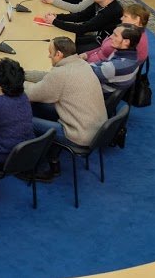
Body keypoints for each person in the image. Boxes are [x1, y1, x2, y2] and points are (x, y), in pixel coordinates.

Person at [24, 37, 107, 180]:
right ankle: (51, 157)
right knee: (39, 106)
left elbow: (31, 94)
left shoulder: (61, 74)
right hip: (95, 129)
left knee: (24, 121)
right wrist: (24, 74)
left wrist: (16, 81)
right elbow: (48, 77)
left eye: (50, 52)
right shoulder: (81, 64)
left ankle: (31, 165)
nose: (48, 56)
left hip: (79, 134)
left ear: (59, 54)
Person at [44, 0, 123, 53]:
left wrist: (55, 21)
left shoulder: (111, 12)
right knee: (62, 40)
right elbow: (81, 16)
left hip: (105, 44)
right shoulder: (99, 3)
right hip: (97, 37)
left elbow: (83, 28)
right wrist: (58, 16)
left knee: (65, 48)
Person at [82, 4, 149, 64]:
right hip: (94, 59)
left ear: (137, 19)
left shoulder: (134, 39)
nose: (121, 18)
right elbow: (103, 48)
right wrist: (86, 54)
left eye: (125, 16)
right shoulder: (125, 31)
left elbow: (111, 65)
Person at [90, 24, 143, 96]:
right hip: (110, 87)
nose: (111, 37)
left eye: (115, 35)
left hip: (99, 94)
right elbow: (105, 62)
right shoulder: (132, 55)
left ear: (126, 42)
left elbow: (85, 73)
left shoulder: (115, 66)